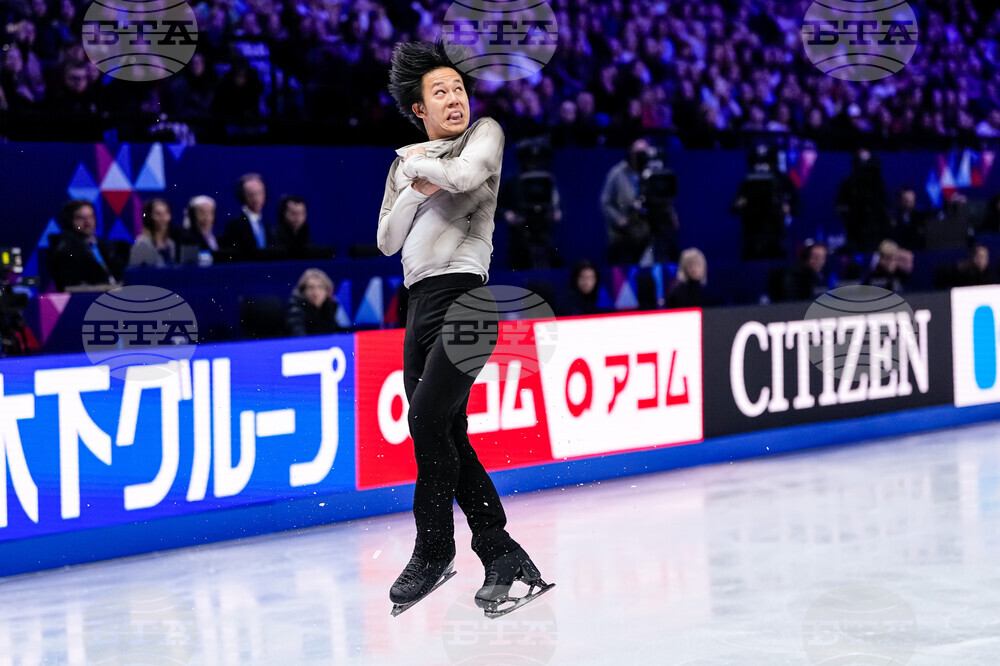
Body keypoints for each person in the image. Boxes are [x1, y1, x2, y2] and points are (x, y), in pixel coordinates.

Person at [379, 39, 552, 618]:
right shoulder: (404, 163)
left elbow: (466, 175)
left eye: (458, 88)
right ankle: (501, 555)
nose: (455, 98)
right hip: (418, 308)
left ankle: (433, 549)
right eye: (441, 92)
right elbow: (386, 240)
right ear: (418, 109)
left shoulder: (484, 133)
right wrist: (413, 179)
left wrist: (419, 167)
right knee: (447, 436)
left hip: (469, 299)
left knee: (426, 420)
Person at [48, 200, 127, 292]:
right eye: (80, 218)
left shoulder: (103, 245)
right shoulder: (63, 250)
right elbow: (67, 287)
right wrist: (105, 288)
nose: (87, 222)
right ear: (69, 221)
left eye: (91, 217)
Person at [600, 138, 652, 265]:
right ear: (630, 153)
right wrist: (619, 219)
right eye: (637, 153)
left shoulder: (651, 172)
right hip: (622, 235)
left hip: (647, 233)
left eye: (643, 153)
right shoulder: (616, 173)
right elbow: (604, 202)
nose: (640, 157)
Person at [221, 173, 270, 260]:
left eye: (259, 193)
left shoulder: (269, 224)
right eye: (251, 194)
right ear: (242, 196)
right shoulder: (234, 225)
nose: (256, 198)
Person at [285, 268, 343, 335]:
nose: (316, 293)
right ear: (303, 291)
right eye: (311, 288)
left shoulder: (330, 308)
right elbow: (299, 338)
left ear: (327, 291)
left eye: (320, 287)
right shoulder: (295, 310)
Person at [129, 198, 177, 267]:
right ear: (149, 217)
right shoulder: (142, 243)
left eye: (166, 213)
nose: (163, 218)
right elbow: (135, 273)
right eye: (158, 214)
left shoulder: (171, 244)